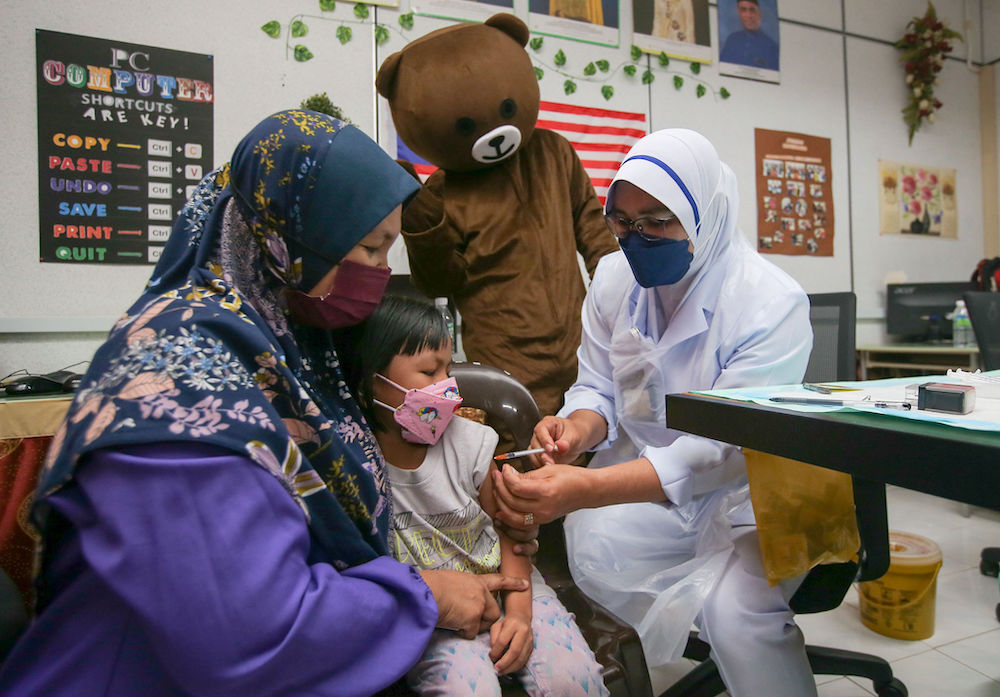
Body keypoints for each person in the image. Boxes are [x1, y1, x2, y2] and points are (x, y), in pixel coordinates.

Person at [0, 110, 529, 697]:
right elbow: (243, 633)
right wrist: (421, 595)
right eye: (371, 248)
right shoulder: (183, 385)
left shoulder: (284, 344)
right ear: (292, 239)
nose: (381, 274)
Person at [491, 129, 817, 697]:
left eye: (658, 221)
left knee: (736, 613)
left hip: (753, 494)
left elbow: (721, 449)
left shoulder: (769, 303)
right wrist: (573, 433)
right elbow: (597, 387)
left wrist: (584, 487)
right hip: (656, 484)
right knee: (593, 543)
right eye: (621, 220)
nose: (636, 238)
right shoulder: (618, 280)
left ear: (705, 215)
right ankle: (647, 666)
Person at [338, 294, 608, 697]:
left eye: (448, 369)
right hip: (435, 615)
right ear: (372, 379)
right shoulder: (353, 466)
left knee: (574, 680)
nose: (446, 386)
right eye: (429, 371)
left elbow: (513, 531)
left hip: (509, 586)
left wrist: (519, 614)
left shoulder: (473, 445)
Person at [719, 0, 779, 70]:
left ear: (759, 13)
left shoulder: (771, 47)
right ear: (739, 13)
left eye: (752, 10)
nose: (748, 15)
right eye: (743, 10)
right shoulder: (732, 40)